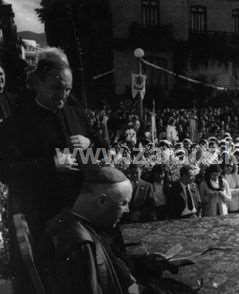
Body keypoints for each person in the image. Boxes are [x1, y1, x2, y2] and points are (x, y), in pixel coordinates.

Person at [0, 48, 103, 293]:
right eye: (56, 89)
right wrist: (50, 165)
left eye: (68, 90)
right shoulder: (17, 122)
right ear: (36, 83)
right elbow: (5, 170)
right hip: (40, 220)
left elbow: (101, 157)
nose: (63, 97)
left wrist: (91, 145)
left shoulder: (76, 114)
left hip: (81, 217)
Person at [39, 166, 184, 294]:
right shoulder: (78, 244)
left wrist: (147, 262)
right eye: (124, 203)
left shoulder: (76, 222)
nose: (127, 210)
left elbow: (111, 265)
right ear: (102, 201)